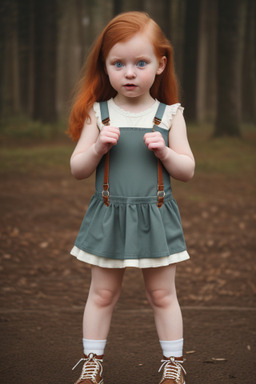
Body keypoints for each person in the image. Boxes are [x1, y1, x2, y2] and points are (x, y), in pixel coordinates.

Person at [68, 11, 195, 384]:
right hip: (109, 214)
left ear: (160, 65)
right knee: (103, 294)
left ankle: (173, 364)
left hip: (155, 214)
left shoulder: (169, 115)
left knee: (162, 295)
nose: (129, 72)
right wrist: (96, 150)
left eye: (141, 63)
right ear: (104, 67)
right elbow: (77, 168)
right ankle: (92, 362)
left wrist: (165, 153)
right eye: (118, 63)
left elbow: (187, 170)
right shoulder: (99, 114)